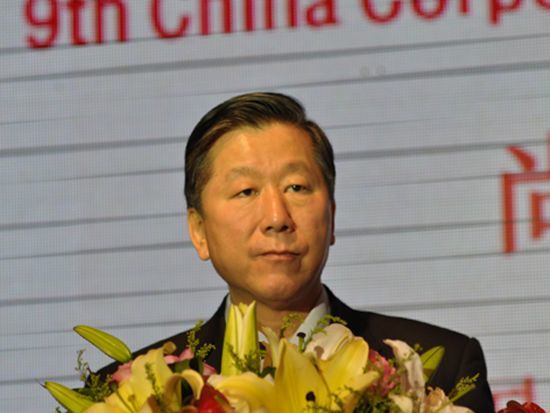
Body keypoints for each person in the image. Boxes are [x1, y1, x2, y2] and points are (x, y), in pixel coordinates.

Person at [100, 92, 495, 412]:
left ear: (332, 216)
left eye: (297, 188)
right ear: (199, 231)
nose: (277, 218)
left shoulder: (439, 371)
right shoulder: (135, 395)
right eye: (246, 191)